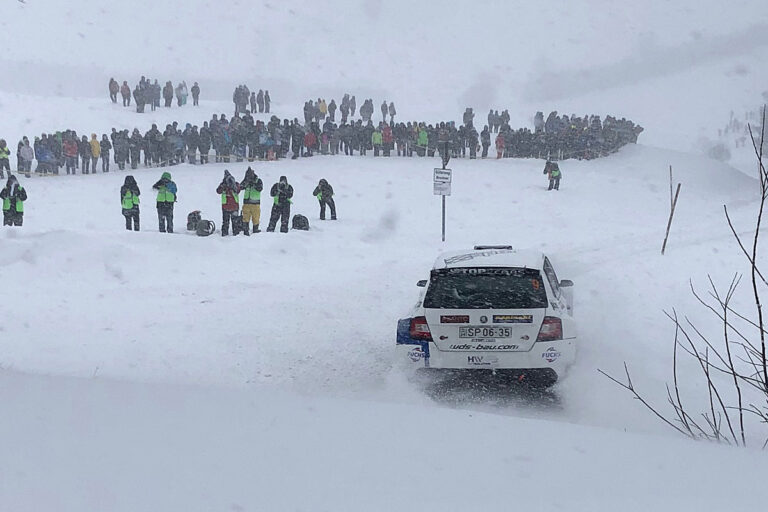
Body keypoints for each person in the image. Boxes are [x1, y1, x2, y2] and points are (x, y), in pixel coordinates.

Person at [216, 170, 240, 236]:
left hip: (229, 206)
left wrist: (231, 186)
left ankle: (232, 234)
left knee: (230, 222)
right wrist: (223, 185)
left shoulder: (235, 184)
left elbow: (238, 190)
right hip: (230, 206)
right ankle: (229, 233)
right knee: (228, 222)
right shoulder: (224, 185)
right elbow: (218, 191)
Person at [240, 166, 263, 235]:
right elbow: (241, 187)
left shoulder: (258, 180)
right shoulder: (246, 180)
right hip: (246, 203)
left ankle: (255, 229)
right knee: (245, 218)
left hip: (255, 203)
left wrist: (253, 183)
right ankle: (245, 230)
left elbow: (260, 188)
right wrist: (245, 181)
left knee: (256, 218)